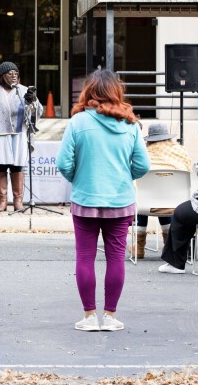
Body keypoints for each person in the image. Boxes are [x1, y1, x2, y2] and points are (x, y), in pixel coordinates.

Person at [56, 69, 150, 333]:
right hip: (120, 200)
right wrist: (124, 175)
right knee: (116, 258)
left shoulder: (77, 122)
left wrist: (78, 177)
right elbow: (143, 164)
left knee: (85, 257)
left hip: (86, 198)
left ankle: (88, 316)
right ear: (116, 93)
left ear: (89, 92)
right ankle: (110, 315)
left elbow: (63, 163)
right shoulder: (130, 124)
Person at [0, 61, 40, 212]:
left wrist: (33, 102)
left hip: (19, 135)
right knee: (1, 167)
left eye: (16, 73)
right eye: (10, 73)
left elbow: (37, 111)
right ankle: (2, 201)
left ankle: (18, 201)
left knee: (18, 167)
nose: (13, 76)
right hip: (1, 136)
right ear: (2, 76)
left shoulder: (24, 91)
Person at [136, 122, 192, 265]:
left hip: (146, 204)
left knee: (145, 195)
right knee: (164, 197)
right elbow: (189, 170)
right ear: (168, 137)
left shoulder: (143, 153)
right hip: (176, 202)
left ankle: (139, 247)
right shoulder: (180, 151)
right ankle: (168, 246)